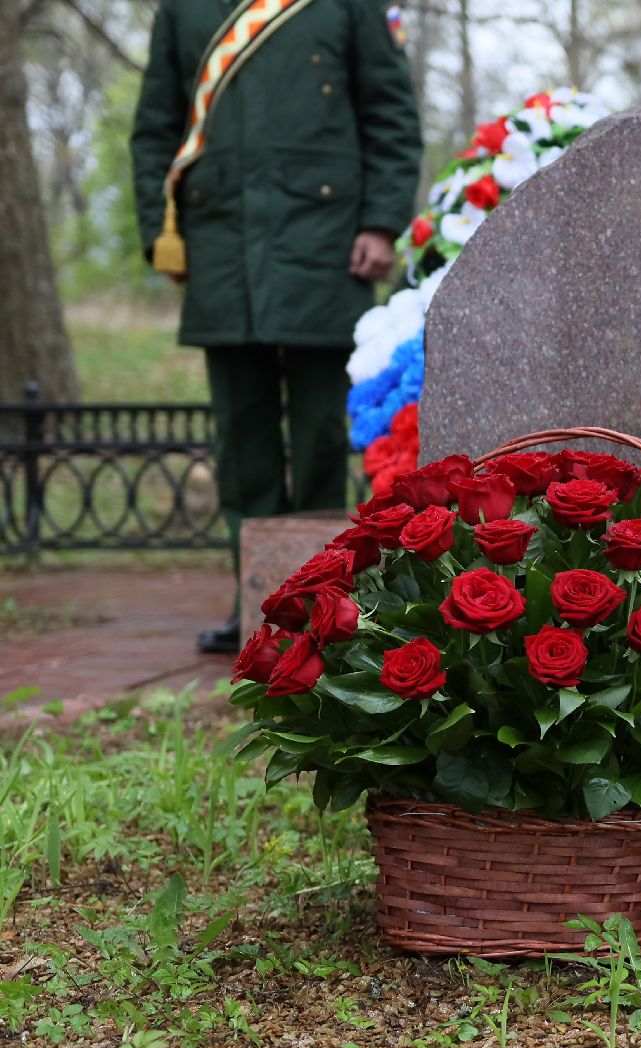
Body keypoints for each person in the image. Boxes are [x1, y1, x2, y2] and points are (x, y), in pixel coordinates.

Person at [131, 0, 423, 653]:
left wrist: (381, 221)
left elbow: (390, 115)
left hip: (328, 247)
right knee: (242, 439)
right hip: (220, 247)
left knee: (321, 434)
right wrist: (163, 235)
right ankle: (256, 598)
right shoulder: (182, 10)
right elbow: (155, 129)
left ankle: (325, 597)